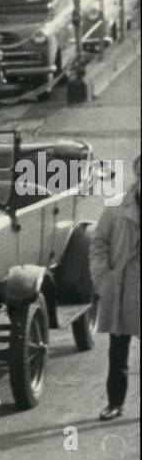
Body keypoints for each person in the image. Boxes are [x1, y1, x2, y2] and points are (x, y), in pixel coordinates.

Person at [90, 152, 140, 421]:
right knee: (118, 352)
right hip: (122, 289)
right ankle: (115, 403)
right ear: (136, 175)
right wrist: (102, 278)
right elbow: (98, 244)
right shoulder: (116, 207)